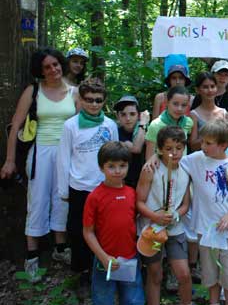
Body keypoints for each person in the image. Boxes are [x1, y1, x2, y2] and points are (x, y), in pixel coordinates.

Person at [0, 48, 78, 281]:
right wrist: (10, 160)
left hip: (67, 153)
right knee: (38, 199)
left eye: (55, 64)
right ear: (40, 71)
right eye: (47, 67)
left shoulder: (74, 92)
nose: (53, 69)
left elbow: (84, 124)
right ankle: (32, 255)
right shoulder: (33, 91)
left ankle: (60, 249)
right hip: (40, 152)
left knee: (62, 198)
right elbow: (15, 126)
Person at [181, 120, 228, 305]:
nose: (202, 145)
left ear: (223, 145)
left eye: (208, 143)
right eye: (203, 141)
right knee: (210, 275)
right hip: (205, 229)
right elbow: (173, 159)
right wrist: (152, 160)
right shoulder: (195, 160)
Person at [57, 78, 119, 287]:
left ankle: (103, 269)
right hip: (79, 187)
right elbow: (64, 158)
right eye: (89, 100)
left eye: (98, 100)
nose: (93, 104)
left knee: (105, 230)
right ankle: (82, 273)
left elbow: (117, 156)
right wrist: (63, 189)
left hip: (105, 187)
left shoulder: (110, 125)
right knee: (78, 230)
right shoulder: (70, 126)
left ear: (104, 101)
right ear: (81, 100)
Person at [82, 141, 144, 305]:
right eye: (111, 166)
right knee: (103, 300)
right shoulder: (95, 197)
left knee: (133, 300)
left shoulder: (132, 193)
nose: (117, 171)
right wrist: (103, 257)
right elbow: (88, 232)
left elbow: (138, 222)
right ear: (101, 167)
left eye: (122, 166)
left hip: (130, 257)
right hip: (104, 260)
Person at [136, 126, 191, 305]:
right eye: (168, 149)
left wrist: (175, 215)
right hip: (151, 229)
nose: (174, 153)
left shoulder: (186, 169)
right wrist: (155, 216)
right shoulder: (150, 169)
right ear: (159, 149)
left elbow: (185, 205)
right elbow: (139, 202)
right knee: (155, 274)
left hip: (175, 228)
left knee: (183, 274)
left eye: (178, 148)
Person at [145, 86, 194, 160]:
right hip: (161, 168)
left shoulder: (188, 122)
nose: (179, 109)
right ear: (167, 102)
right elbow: (149, 157)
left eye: (183, 105)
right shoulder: (156, 125)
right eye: (175, 104)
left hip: (181, 168)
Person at [114, 95, 149, 188]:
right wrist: (143, 124)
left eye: (132, 114)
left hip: (144, 181)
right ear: (117, 116)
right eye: (123, 114)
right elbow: (136, 148)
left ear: (138, 115)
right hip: (123, 182)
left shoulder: (147, 130)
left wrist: (142, 126)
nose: (128, 118)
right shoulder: (115, 132)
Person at [189, 72, 228, 151]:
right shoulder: (194, 114)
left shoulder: (224, 113)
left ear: (216, 88)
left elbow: (226, 141)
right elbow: (193, 145)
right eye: (205, 87)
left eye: (212, 86)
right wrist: (211, 135)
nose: (210, 90)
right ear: (198, 90)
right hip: (203, 157)